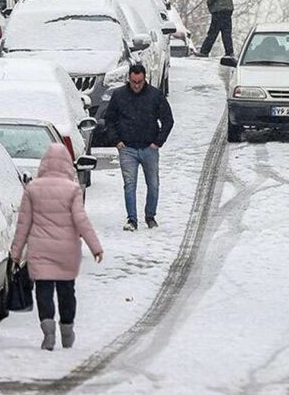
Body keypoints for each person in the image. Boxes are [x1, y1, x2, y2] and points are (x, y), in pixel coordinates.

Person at [10, 143, 104, 351]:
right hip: (66, 250)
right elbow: (82, 221)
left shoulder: (32, 189)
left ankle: (48, 331)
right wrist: (95, 247)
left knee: (43, 290)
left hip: (40, 249)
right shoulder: (72, 190)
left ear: (44, 163)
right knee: (66, 290)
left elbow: (23, 224)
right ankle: (67, 329)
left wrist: (16, 252)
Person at [103, 63, 174, 231]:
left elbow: (168, 120)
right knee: (129, 184)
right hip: (127, 148)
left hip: (149, 147)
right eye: (134, 82)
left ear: (145, 79)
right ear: (129, 78)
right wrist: (116, 141)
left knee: (153, 184)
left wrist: (158, 142)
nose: (136, 85)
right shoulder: (119, 95)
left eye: (140, 82)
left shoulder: (155, 96)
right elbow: (109, 119)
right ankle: (132, 219)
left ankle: (150, 216)